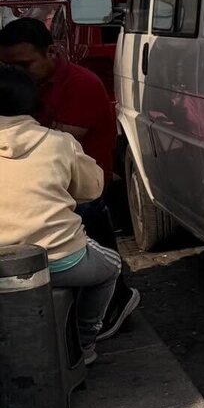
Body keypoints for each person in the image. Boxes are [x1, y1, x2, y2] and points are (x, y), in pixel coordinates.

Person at [0, 17, 140, 339]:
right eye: (7, 66)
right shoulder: (23, 93)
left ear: (51, 52)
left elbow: (52, 153)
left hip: (81, 190)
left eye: (23, 65)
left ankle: (112, 307)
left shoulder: (81, 85)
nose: (14, 73)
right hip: (48, 195)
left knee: (91, 237)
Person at [0, 64, 121, 365]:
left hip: (3, 266)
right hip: (62, 259)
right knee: (111, 266)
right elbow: (92, 189)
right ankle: (85, 343)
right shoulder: (58, 142)